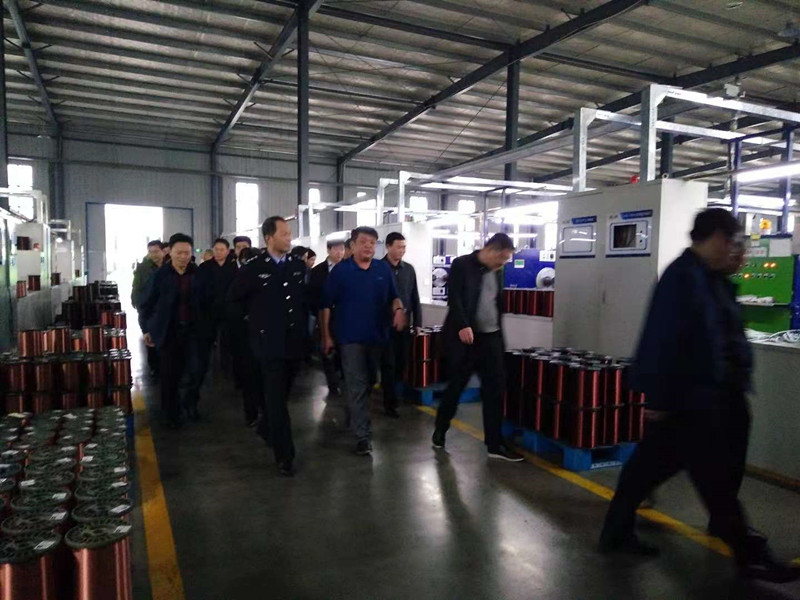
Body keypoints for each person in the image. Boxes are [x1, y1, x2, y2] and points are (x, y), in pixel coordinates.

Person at [598, 209, 798, 584]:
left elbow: (724, 335)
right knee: (714, 483)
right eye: (733, 243)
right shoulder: (682, 278)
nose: (736, 251)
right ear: (717, 238)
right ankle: (749, 555)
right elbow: (661, 338)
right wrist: (657, 400)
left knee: (644, 471)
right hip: (691, 400)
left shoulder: (710, 278)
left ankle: (615, 532)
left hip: (712, 396)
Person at [227, 217, 308, 477]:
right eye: (284, 234)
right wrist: (253, 323)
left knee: (282, 394)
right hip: (268, 344)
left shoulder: (296, 265)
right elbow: (234, 299)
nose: (289, 238)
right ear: (269, 238)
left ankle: (265, 428)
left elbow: (302, 300)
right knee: (275, 400)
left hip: (293, 342)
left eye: (290, 233)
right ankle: (285, 455)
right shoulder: (254, 267)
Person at [432, 233, 523, 462]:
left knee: (495, 390)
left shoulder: (497, 271)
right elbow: (455, 298)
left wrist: (500, 339)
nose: (503, 264)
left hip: (491, 339)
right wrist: (463, 325)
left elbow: (495, 303)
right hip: (466, 339)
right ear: (491, 250)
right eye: (502, 259)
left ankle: (494, 444)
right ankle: (440, 429)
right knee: (456, 387)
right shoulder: (462, 265)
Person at [320, 226, 406, 456]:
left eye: (372, 242)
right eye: (364, 242)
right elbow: (325, 305)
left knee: (369, 380)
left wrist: (399, 310)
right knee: (357, 384)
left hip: (377, 336)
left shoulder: (382, 269)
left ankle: (353, 408)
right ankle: (362, 437)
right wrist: (326, 336)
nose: (368, 246)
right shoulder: (341, 271)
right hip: (349, 338)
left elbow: (394, 297)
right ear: (353, 245)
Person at [139, 233, 212, 429]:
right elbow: (145, 304)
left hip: (194, 331)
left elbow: (208, 303)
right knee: (170, 375)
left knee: (197, 371)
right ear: (169, 252)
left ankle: (190, 403)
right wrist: (146, 329)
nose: (183, 257)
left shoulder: (198, 275)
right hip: (168, 331)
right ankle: (171, 413)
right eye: (179, 253)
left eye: (187, 253)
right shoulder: (159, 276)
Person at [380, 232, 422, 418]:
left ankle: (395, 394)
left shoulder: (409, 270)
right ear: (388, 246)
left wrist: (418, 323)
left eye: (404, 247)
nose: (401, 250)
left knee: (401, 363)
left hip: (404, 327)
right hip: (384, 327)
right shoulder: (378, 268)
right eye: (398, 247)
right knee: (388, 364)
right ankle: (390, 403)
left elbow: (414, 297)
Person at [227, 245, 265, 427]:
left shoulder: (267, 277)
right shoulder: (241, 279)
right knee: (251, 375)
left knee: (262, 376)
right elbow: (233, 304)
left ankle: (261, 411)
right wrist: (246, 316)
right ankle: (251, 413)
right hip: (247, 335)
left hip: (264, 336)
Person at [309, 240, 346, 395]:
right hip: (324, 318)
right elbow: (312, 296)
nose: (340, 253)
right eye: (336, 249)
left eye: (342, 249)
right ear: (329, 250)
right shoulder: (318, 271)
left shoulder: (348, 268)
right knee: (327, 352)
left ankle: (342, 380)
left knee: (343, 352)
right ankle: (333, 385)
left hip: (344, 319)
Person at [197, 238, 238, 373]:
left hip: (228, 310)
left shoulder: (234, 267)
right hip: (210, 309)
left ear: (227, 251)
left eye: (221, 250)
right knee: (207, 339)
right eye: (216, 249)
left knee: (227, 339)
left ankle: (226, 367)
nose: (218, 252)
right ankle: (205, 367)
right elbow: (199, 289)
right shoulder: (204, 267)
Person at [132, 240, 165, 378]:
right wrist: (136, 302)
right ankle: (154, 368)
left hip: (166, 310)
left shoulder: (169, 267)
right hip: (150, 308)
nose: (154, 255)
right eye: (150, 252)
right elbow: (136, 287)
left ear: (163, 251)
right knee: (151, 338)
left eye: (156, 251)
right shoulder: (143, 269)